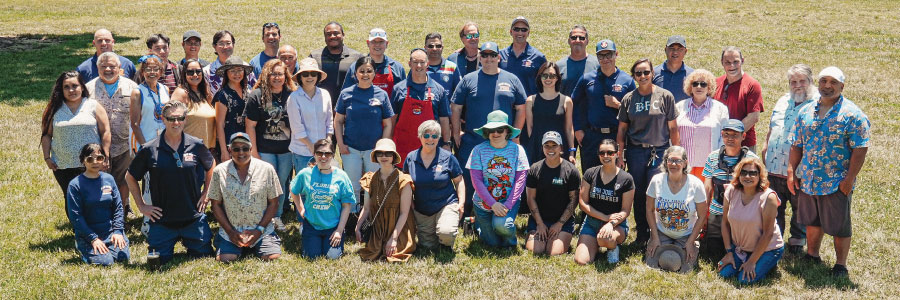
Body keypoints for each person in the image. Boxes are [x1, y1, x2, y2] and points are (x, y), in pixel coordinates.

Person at [788, 67, 870, 277]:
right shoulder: (805, 111)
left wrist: (849, 179)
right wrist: (791, 171)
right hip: (808, 178)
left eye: (833, 82)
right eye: (824, 81)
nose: (827, 86)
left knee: (840, 225)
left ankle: (840, 264)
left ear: (842, 86)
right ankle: (813, 254)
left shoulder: (852, 114)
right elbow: (796, 144)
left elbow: (860, 148)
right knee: (812, 220)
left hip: (836, 180)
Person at [126, 101, 215, 265]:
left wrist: (206, 193)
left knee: (204, 256)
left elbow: (211, 166)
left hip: (193, 217)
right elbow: (130, 176)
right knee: (158, 261)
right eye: (171, 119)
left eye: (180, 118)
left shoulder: (196, 145)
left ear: (185, 119)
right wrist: (141, 205)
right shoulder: (149, 149)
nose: (176, 123)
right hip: (162, 220)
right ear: (163, 119)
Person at [451, 42, 526, 216]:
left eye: (493, 55)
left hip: (503, 142)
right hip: (473, 140)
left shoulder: (511, 79)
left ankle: (502, 212)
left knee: (501, 177)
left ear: (499, 57)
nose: (489, 59)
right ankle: (469, 214)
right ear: (479, 57)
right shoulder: (469, 79)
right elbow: (456, 107)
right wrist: (456, 132)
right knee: (471, 178)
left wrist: (516, 134)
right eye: (484, 55)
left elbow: (521, 107)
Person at [617, 58, 679, 245]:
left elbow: (673, 129)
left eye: (646, 72)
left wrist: (676, 153)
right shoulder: (629, 99)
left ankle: (658, 233)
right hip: (636, 151)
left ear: (652, 73)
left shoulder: (665, 96)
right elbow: (621, 130)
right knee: (638, 192)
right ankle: (642, 233)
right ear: (634, 76)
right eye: (638, 73)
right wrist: (620, 154)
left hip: (659, 151)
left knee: (658, 192)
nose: (643, 76)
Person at [761, 64, 817, 254]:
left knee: (800, 209)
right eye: (793, 82)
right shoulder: (783, 100)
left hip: (800, 169)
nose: (798, 85)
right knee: (775, 207)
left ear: (811, 81)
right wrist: (766, 147)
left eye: (802, 81)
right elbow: (772, 128)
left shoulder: (817, 104)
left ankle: (796, 243)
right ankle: (774, 240)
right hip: (775, 166)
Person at [208, 133, 283, 262]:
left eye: (245, 148)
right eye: (236, 149)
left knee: (272, 257)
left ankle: (263, 243)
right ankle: (230, 244)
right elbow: (215, 205)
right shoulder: (219, 171)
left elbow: (273, 203)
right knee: (225, 259)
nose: (241, 152)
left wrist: (259, 230)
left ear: (251, 149)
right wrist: (231, 232)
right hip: (231, 230)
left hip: (261, 230)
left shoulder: (266, 169)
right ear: (230, 150)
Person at [335, 56, 395, 212]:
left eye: (369, 71)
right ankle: (352, 217)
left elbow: (388, 123)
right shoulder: (346, 94)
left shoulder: (381, 94)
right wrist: (340, 144)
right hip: (351, 149)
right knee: (352, 185)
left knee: (373, 186)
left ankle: (371, 218)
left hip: (373, 151)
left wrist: (383, 147)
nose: (365, 74)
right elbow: (338, 121)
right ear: (355, 73)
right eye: (361, 71)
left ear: (374, 73)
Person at [41, 71, 111, 202]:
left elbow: (106, 131)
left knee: (93, 197)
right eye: (66, 87)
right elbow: (46, 135)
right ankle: (77, 223)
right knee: (71, 198)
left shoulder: (93, 105)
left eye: (75, 86)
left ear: (82, 87)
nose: (71, 90)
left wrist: (105, 156)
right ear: (61, 90)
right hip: (62, 164)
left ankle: (95, 222)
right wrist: (47, 157)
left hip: (91, 162)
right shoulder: (54, 108)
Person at [244, 59, 295, 230]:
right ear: (266, 75)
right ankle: (263, 217)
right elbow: (250, 126)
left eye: (280, 74)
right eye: (273, 74)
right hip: (265, 150)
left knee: (281, 183)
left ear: (285, 75)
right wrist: (254, 152)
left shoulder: (292, 94)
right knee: (266, 184)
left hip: (287, 150)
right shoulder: (256, 95)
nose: (276, 77)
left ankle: (277, 216)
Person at [85, 52, 139, 214]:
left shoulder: (132, 88)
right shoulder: (88, 89)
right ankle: (102, 214)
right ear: (97, 68)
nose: (108, 69)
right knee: (99, 180)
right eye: (103, 66)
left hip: (125, 144)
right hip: (97, 146)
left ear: (119, 68)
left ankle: (121, 213)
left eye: (112, 66)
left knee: (124, 181)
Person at [466, 110, 529, 248]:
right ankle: (478, 224)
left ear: (507, 132)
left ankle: (510, 244)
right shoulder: (477, 150)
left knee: (502, 226)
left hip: (507, 202)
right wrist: (493, 203)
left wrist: (507, 205)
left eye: (499, 129)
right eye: (491, 130)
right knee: (492, 243)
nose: (495, 133)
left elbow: (520, 181)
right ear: (487, 132)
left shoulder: (518, 150)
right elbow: (476, 181)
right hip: (483, 203)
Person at [717, 157, 784, 284]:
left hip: (768, 248)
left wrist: (752, 262)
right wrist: (729, 252)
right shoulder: (731, 190)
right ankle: (747, 260)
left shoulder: (768, 197)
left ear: (760, 176)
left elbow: (768, 233)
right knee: (723, 274)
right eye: (743, 172)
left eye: (753, 173)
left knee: (743, 280)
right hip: (741, 248)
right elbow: (725, 223)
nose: (747, 176)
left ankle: (766, 262)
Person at [571, 39, 635, 172]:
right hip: (592, 136)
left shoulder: (627, 81)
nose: (605, 59)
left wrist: (618, 105)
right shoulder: (587, 79)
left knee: (615, 177)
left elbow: (634, 111)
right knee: (590, 175)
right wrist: (578, 129)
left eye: (609, 55)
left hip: (616, 135)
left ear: (616, 54)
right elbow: (574, 104)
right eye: (601, 55)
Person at [700, 119, 758, 261]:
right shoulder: (712, 157)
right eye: (726, 134)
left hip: (741, 214)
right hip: (717, 211)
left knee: (741, 250)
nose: (730, 138)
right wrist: (703, 215)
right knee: (713, 252)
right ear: (722, 135)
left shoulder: (752, 159)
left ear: (743, 136)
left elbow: (759, 189)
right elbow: (707, 187)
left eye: (735, 135)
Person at [403, 120, 464, 251]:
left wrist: (461, 203)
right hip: (422, 209)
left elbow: (459, 181)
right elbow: (406, 183)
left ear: (439, 138)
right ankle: (437, 237)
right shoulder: (410, 158)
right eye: (426, 135)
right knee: (427, 247)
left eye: (435, 136)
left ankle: (446, 240)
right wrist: (410, 205)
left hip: (446, 204)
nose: (430, 139)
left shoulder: (448, 157)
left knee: (446, 233)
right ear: (419, 136)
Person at [290, 139, 356, 259]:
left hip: (333, 226)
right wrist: (301, 209)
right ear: (314, 154)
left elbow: (347, 206)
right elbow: (293, 190)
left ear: (333, 155)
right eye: (319, 153)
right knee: (312, 257)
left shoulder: (341, 176)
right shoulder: (305, 174)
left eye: (328, 153)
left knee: (332, 257)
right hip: (312, 225)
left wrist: (339, 231)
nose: (323, 157)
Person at [66, 143, 130, 265]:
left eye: (99, 158)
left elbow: (118, 207)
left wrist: (117, 231)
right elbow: (76, 217)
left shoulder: (109, 179)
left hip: (109, 231)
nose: (95, 162)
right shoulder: (75, 185)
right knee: (106, 262)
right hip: (88, 234)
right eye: (90, 159)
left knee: (123, 258)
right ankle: (81, 247)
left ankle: (112, 243)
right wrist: (93, 239)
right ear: (83, 161)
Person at [646, 146, 707, 269]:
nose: (673, 164)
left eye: (678, 161)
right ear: (665, 162)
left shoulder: (696, 184)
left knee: (685, 265)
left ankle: (693, 245)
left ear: (685, 163)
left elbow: (702, 216)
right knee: (654, 262)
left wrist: (690, 242)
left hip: (686, 234)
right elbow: (649, 210)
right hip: (662, 232)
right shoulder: (656, 180)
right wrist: (654, 237)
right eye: (670, 160)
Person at [356, 139, 417, 262]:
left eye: (388, 153)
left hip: (398, 228)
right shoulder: (370, 179)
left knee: (394, 256)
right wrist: (358, 226)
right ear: (375, 156)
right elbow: (367, 208)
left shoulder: (403, 180)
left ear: (394, 156)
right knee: (373, 253)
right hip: (378, 229)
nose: (384, 157)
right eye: (380, 153)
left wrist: (394, 238)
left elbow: (404, 213)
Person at [575, 139, 633, 264]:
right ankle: (594, 243)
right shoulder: (590, 173)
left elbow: (626, 210)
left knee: (605, 239)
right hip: (592, 222)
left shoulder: (626, 179)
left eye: (610, 153)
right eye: (602, 153)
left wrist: (610, 223)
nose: (606, 156)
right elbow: (582, 204)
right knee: (581, 260)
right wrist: (605, 217)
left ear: (617, 154)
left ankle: (612, 247)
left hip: (616, 225)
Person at [391, 48, 451, 166]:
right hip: (402, 147)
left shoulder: (438, 90)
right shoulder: (399, 89)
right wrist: (388, 143)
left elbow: (444, 119)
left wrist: (446, 143)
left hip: (430, 147)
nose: (419, 66)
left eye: (422, 62)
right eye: (415, 62)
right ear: (409, 64)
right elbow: (392, 120)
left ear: (427, 64)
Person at [524, 131, 580, 256]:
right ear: (542, 148)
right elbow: (530, 198)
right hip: (539, 219)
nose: (550, 149)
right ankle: (533, 232)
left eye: (554, 145)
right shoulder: (534, 169)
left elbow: (574, 200)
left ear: (561, 148)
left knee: (553, 252)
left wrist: (560, 224)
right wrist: (540, 224)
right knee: (537, 250)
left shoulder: (571, 171)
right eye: (546, 145)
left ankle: (560, 237)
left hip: (562, 221)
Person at [675, 69, 729, 179]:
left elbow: (724, 136)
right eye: (695, 84)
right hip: (684, 165)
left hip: (708, 166)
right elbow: (672, 134)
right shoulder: (679, 107)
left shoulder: (720, 109)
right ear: (690, 87)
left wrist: (717, 160)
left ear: (709, 87)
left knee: (705, 196)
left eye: (703, 84)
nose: (699, 87)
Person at [287, 58, 333, 173]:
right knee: (305, 188)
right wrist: (311, 146)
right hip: (302, 152)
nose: (309, 77)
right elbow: (297, 128)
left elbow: (329, 121)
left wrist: (328, 142)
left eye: (313, 74)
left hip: (323, 152)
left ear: (317, 76)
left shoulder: (325, 94)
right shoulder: (294, 98)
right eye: (305, 74)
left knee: (323, 186)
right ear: (300, 77)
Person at [714, 46, 763, 151]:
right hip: (719, 145)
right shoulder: (716, 83)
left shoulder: (752, 85)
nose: (732, 66)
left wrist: (731, 137)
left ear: (742, 61)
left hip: (744, 146)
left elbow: (753, 117)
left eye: (736, 62)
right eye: (727, 62)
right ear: (722, 62)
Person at [525, 62, 575, 163]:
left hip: (559, 149)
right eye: (545, 75)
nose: (548, 79)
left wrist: (571, 152)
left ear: (557, 78)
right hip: (537, 150)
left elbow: (569, 129)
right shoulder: (531, 101)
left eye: (552, 76)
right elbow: (530, 128)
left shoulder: (566, 101)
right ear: (540, 77)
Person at [310, 21, 363, 108]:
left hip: (349, 107)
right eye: (328, 34)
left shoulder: (356, 57)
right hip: (320, 107)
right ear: (324, 37)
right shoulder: (315, 57)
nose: (332, 36)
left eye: (336, 33)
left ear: (343, 35)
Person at [342, 28, 406, 99]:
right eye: (373, 42)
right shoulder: (356, 67)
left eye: (381, 41)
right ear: (368, 43)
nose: (377, 45)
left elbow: (402, 96)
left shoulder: (397, 68)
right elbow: (346, 95)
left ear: (387, 44)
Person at [171, 59, 216, 154]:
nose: (195, 75)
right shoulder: (181, 93)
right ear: (184, 74)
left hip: (207, 150)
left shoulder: (205, 92)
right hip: (187, 150)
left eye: (198, 71)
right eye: (190, 72)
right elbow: (173, 122)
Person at [213, 56, 252, 162]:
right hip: (230, 142)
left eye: (240, 70)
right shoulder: (222, 95)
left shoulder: (247, 91)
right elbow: (219, 124)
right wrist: (224, 151)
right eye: (232, 71)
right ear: (226, 73)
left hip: (246, 141)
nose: (237, 74)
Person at [130, 55, 170, 152]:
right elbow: (134, 124)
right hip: (145, 142)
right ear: (142, 72)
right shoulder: (138, 92)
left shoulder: (165, 89)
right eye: (148, 69)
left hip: (163, 142)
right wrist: (145, 147)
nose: (152, 72)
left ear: (160, 72)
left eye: (156, 69)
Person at [499, 16, 547, 97]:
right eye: (516, 29)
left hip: (529, 106)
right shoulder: (500, 55)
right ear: (511, 32)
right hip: (506, 105)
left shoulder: (538, 57)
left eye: (524, 30)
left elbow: (546, 84)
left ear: (528, 33)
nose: (520, 33)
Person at [204, 30, 257, 95]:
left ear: (233, 45)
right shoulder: (207, 72)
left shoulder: (245, 67)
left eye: (228, 43)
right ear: (214, 46)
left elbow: (255, 90)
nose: (225, 47)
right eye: (221, 43)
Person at [556, 25, 599, 97]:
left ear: (587, 41)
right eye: (574, 37)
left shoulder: (597, 64)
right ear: (569, 41)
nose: (577, 40)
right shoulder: (558, 66)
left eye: (582, 38)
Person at [653, 36, 694, 102]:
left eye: (680, 49)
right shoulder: (653, 73)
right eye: (672, 48)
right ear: (665, 50)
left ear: (685, 51)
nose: (675, 52)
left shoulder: (693, 75)